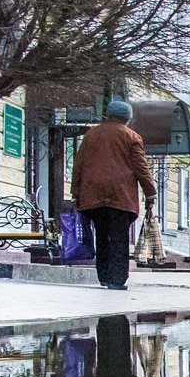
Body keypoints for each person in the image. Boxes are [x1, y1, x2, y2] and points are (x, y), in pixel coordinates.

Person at [70, 99, 157, 290]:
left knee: (101, 235)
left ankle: (104, 276)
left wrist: (76, 193)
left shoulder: (90, 135)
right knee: (119, 238)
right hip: (121, 195)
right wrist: (150, 192)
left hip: (93, 194)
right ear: (127, 118)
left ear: (107, 115)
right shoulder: (131, 137)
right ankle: (117, 280)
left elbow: (79, 166)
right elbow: (141, 168)